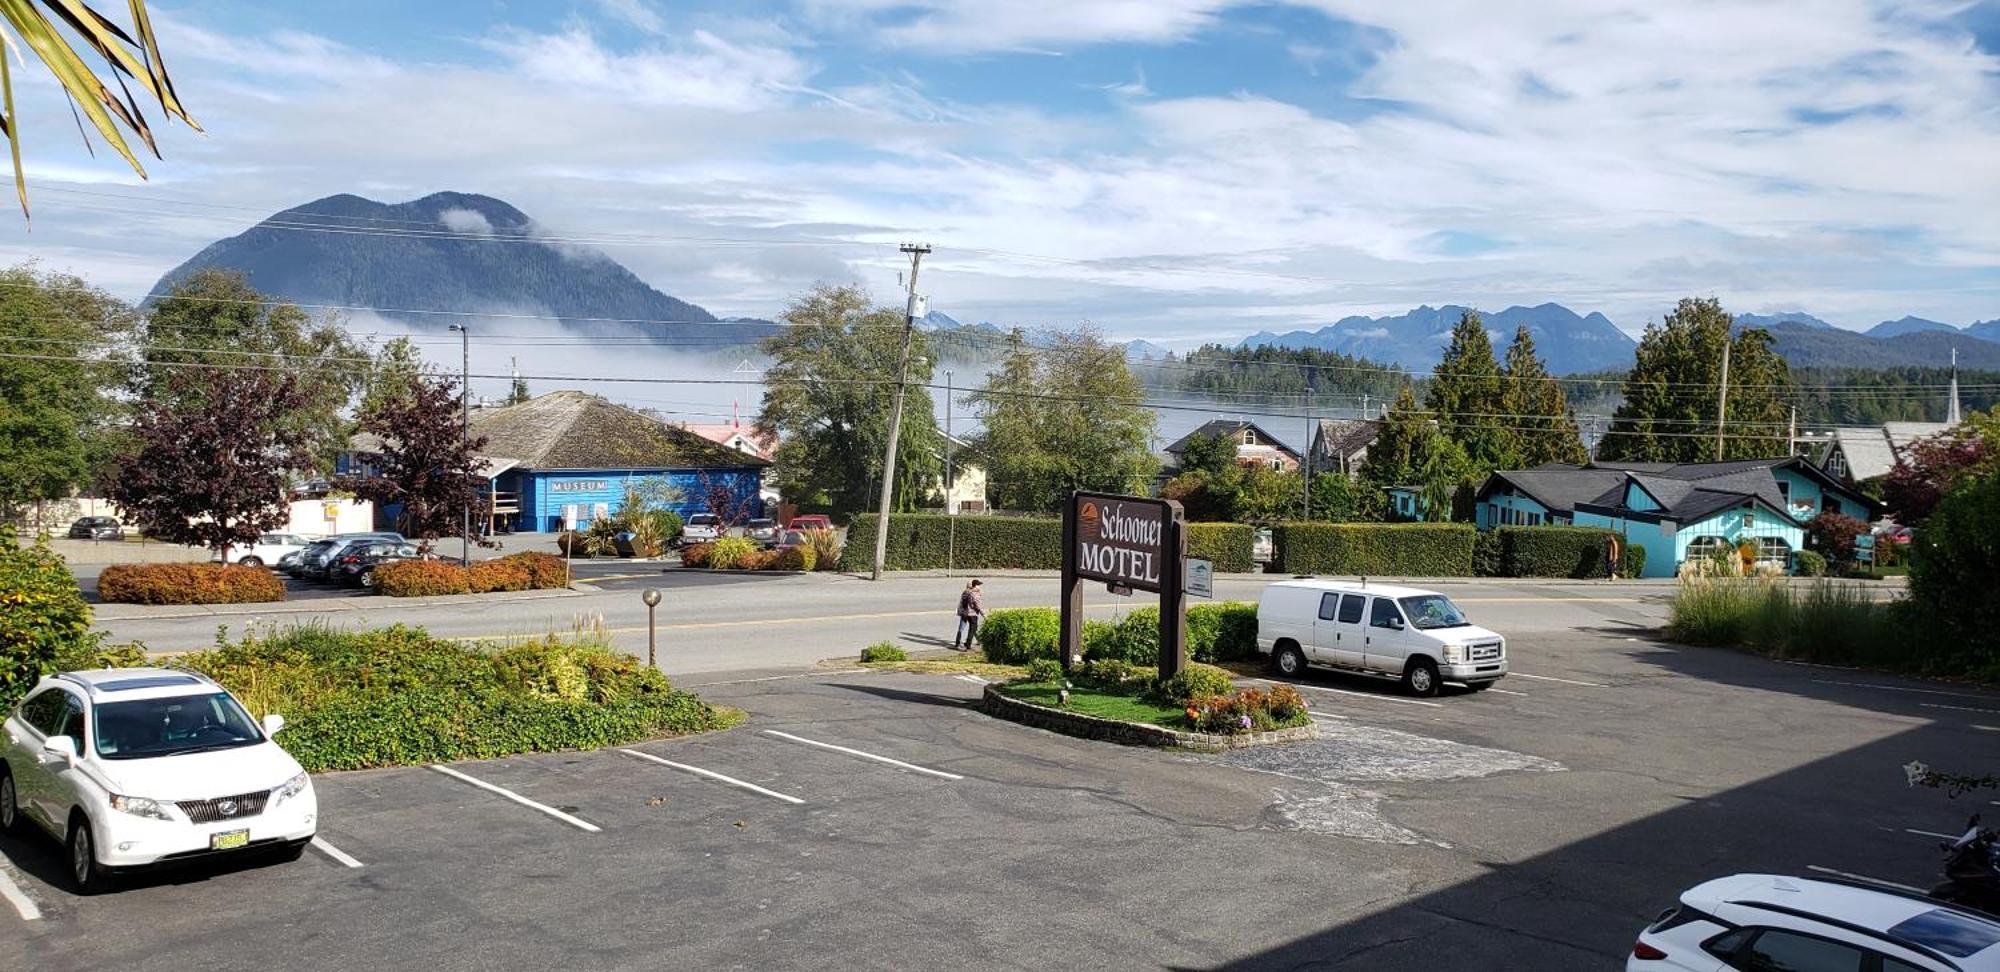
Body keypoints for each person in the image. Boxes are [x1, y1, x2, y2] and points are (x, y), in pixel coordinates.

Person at [953, 579, 985, 651]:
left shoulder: (965, 592)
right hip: (970, 613)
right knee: (973, 628)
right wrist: (984, 615)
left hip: (964, 613)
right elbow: (977, 605)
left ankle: (957, 643)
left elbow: (961, 603)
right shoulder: (972, 593)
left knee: (963, 629)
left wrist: (959, 611)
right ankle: (970, 643)